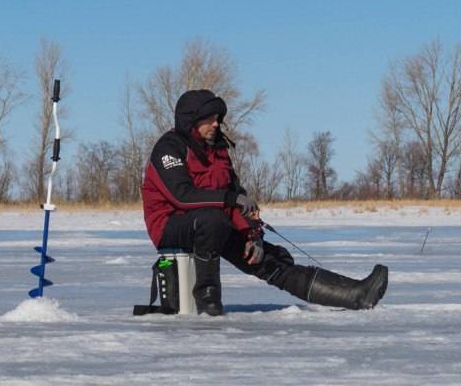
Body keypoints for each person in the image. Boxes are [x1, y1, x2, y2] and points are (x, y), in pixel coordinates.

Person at [141, 88, 388, 316]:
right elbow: (182, 196)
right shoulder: (169, 148)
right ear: (192, 120)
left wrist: (252, 235)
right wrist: (229, 199)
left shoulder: (217, 150)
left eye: (218, 117)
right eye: (210, 118)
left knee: (269, 260)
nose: (217, 123)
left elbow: (234, 197)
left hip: (212, 225)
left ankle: (356, 294)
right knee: (211, 220)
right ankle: (208, 302)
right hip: (169, 227)